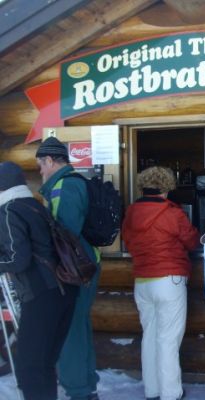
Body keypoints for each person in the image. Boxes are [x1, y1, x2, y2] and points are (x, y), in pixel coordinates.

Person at [0, 161, 78, 400]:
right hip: (64, 291)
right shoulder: (35, 205)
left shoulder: (8, 210)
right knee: (44, 363)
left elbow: (18, 259)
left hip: (40, 293)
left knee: (30, 367)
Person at [122, 166, 200, 400]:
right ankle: (171, 394)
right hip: (169, 280)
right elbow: (192, 241)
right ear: (166, 188)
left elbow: (127, 241)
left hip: (142, 280)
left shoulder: (131, 212)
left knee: (150, 336)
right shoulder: (172, 213)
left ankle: (153, 390)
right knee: (168, 339)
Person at [35, 137, 101, 400]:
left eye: (41, 165)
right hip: (83, 266)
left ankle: (79, 391)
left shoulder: (64, 186)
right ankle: (86, 385)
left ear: (50, 160)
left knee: (70, 329)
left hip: (74, 270)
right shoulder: (74, 183)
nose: (40, 171)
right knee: (78, 325)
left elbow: (64, 234)